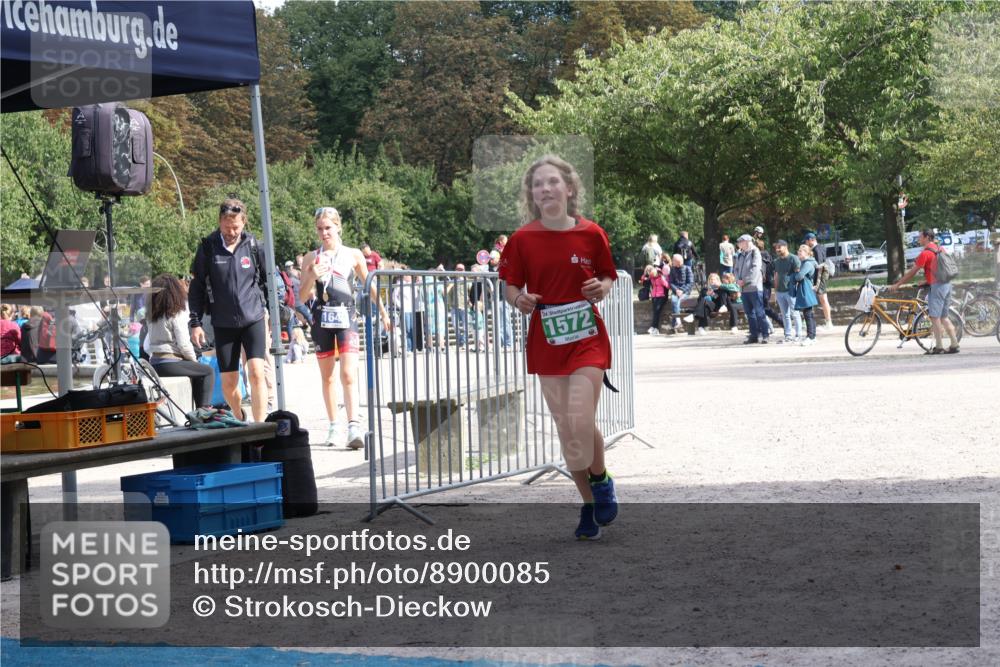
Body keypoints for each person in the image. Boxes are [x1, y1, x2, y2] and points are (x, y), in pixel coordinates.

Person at [498, 154, 618, 540]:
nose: (545, 189)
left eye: (552, 182)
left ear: (569, 189)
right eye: (537, 184)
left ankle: (600, 479)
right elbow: (510, 285)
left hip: (586, 335)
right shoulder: (521, 239)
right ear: (532, 195)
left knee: (580, 418)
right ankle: (587, 504)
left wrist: (603, 287)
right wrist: (518, 300)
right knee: (567, 429)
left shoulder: (591, 233)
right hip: (546, 335)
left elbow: (608, 275)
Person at [300, 206, 391, 448]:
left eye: (328, 228)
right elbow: (301, 296)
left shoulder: (353, 255)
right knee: (328, 376)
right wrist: (311, 275)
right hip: (322, 318)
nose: (324, 233)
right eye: (320, 229)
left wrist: (383, 312)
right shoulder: (311, 257)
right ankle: (334, 425)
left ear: (338, 227)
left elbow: (369, 284)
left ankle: (353, 425)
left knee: (349, 373)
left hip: (346, 316)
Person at [188, 196, 270, 422]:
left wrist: (272, 311)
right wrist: (194, 322)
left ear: (244, 222)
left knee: (256, 372)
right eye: (226, 227)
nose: (231, 232)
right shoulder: (208, 247)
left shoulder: (254, 246)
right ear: (219, 222)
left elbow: (268, 281)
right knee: (229, 382)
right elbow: (196, 287)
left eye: (235, 227)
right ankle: (238, 415)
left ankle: (259, 425)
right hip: (223, 322)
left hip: (253, 317)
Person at [147, 274, 215, 410]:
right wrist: (194, 360)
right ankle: (204, 410)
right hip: (171, 361)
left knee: (197, 372)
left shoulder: (152, 315)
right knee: (207, 371)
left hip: (154, 363)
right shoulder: (175, 314)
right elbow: (184, 345)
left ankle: (200, 410)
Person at [888, 229, 960, 354]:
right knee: (944, 317)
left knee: (935, 317)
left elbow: (912, 272)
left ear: (927, 237)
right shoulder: (940, 248)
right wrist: (927, 281)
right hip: (947, 284)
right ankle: (954, 344)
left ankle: (939, 347)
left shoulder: (925, 253)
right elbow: (939, 268)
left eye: (920, 237)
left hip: (937, 287)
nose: (918, 239)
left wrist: (898, 284)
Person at [734, 234, 768, 343]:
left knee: (759, 313)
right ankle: (754, 336)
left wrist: (745, 280)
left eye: (741, 241)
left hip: (754, 287)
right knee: (749, 314)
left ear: (747, 242)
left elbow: (755, 268)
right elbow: (736, 269)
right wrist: (737, 280)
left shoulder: (755, 252)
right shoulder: (740, 254)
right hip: (743, 289)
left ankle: (765, 335)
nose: (739, 244)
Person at [772, 240, 803, 343]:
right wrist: (775, 291)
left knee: (795, 313)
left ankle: (799, 335)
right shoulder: (776, 261)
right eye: (776, 247)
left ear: (785, 247)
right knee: (785, 315)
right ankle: (788, 335)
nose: (777, 249)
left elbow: (798, 274)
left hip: (791, 290)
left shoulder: (793, 258)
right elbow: (776, 276)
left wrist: (796, 289)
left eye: (779, 247)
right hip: (780, 292)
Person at [790, 244, 819, 345]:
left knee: (808, 314)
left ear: (806, 253)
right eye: (798, 251)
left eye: (800, 251)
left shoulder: (807, 264)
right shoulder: (806, 262)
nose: (798, 253)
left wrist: (796, 274)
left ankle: (810, 337)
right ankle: (812, 336)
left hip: (806, 290)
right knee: (809, 313)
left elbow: (799, 276)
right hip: (806, 289)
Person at [804, 232, 833, 330]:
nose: (806, 243)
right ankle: (809, 321)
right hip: (821, 277)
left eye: (806, 241)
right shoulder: (821, 247)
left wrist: (815, 282)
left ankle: (828, 323)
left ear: (811, 240)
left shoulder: (816, 250)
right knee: (819, 299)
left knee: (823, 299)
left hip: (819, 277)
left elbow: (819, 267)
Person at [640, 264, 670, 335]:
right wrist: (645, 274)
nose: (652, 277)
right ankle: (655, 328)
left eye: (652, 275)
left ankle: (654, 327)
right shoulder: (652, 278)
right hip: (654, 296)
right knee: (655, 312)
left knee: (657, 311)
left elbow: (668, 286)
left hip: (662, 296)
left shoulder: (661, 277)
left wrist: (664, 281)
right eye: (651, 276)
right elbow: (643, 280)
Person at [667, 254, 694, 330]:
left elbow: (690, 283)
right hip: (676, 291)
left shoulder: (687, 269)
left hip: (685, 292)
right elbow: (671, 282)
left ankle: (675, 323)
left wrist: (682, 290)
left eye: (673, 261)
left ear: (678, 262)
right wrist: (676, 290)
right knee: (673, 300)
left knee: (678, 302)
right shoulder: (672, 269)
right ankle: (678, 322)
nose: (672, 262)